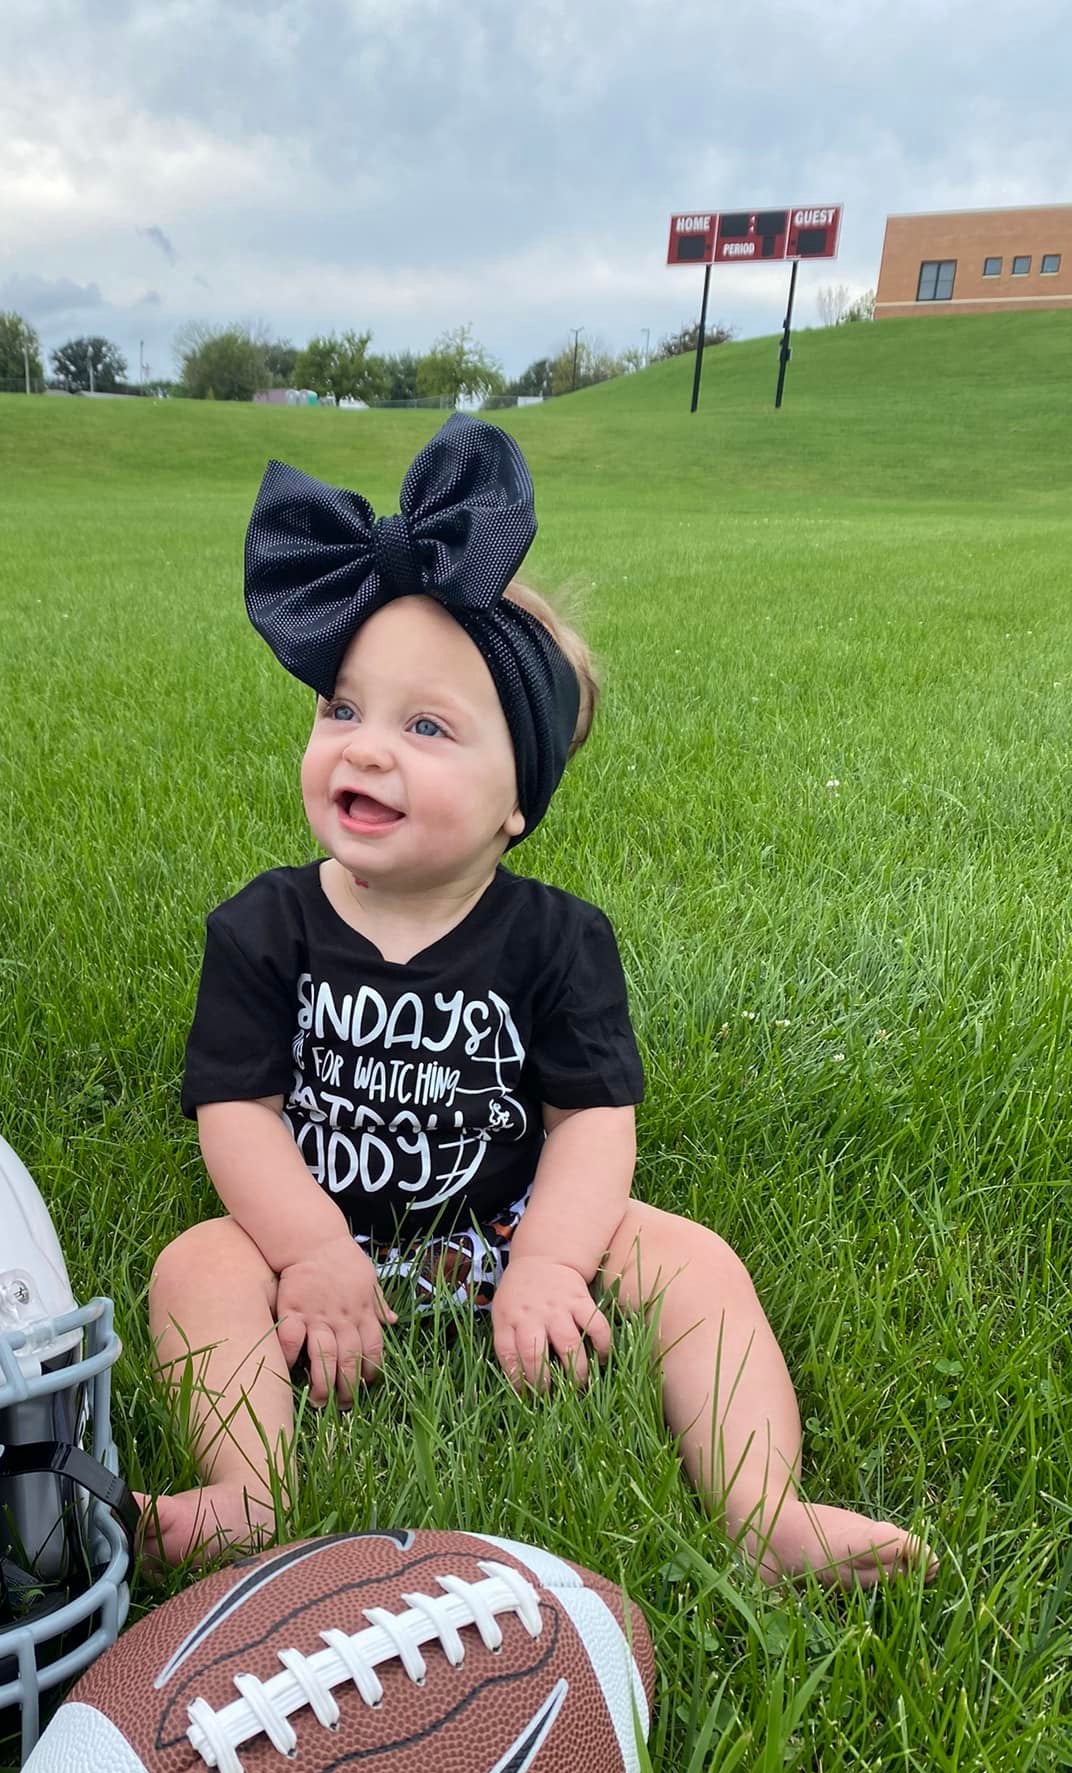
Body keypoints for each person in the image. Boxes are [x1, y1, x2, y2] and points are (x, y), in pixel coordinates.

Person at [140, 415, 934, 1589]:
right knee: (193, 1265)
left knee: (693, 1257)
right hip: (314, 1221)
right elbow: (239, 1111)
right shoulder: (264, 925)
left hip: (505, 1224)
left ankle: (763, 1508)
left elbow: (591, 1119)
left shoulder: (560, 939)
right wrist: (308, 1249)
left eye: (426, 726)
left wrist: (555, 1260)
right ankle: (251, 1493)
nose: (365, 749)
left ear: (519, 797)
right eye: (342, 708)